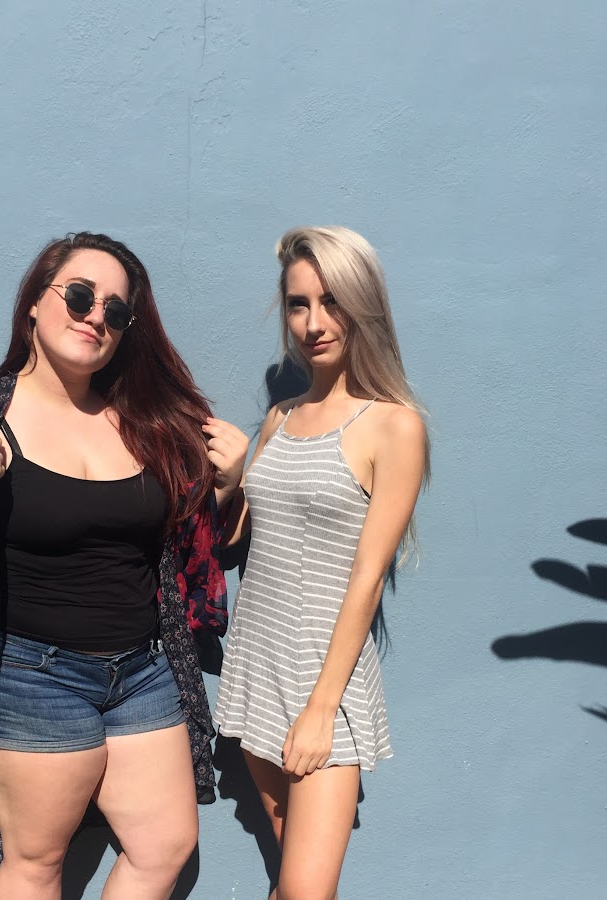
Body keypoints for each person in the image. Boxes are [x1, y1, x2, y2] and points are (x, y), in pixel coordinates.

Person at [0, 232, 249, 899]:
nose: (97, 316)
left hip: (142, 672)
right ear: (35, 304)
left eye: (116, 311)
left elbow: (196, 544)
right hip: (26, 676)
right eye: (79, 296)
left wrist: (228, 484)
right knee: (38, 863)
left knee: (165, 845)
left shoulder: (149, 422)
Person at [211, 226, 430, 900]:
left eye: (331, 301)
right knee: (293, 880)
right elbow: (239, 543)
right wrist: (230, 480)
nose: (313, 323)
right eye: (298, 304)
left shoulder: (393, 425)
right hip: (257, 666)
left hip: (323, 682)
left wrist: (321, 709)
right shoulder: (279, 418)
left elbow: (367, 577)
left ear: (363, 305)